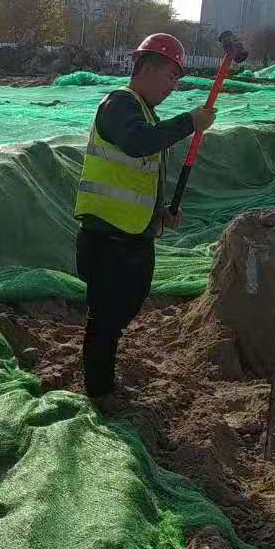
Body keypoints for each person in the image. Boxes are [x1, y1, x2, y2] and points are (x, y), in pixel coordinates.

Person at [73, 33, 216, 411]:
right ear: (148, 68)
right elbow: (138, 144)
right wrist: (189, 122)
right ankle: (99, 391)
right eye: (170, 77)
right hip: (107, 236)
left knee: (121, 311)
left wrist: (161, 212)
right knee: (105, 318)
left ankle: (103, 380)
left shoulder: (145, 113)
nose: (173, 87)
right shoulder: (119, 104)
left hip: (133, 231)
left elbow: (140, 172)